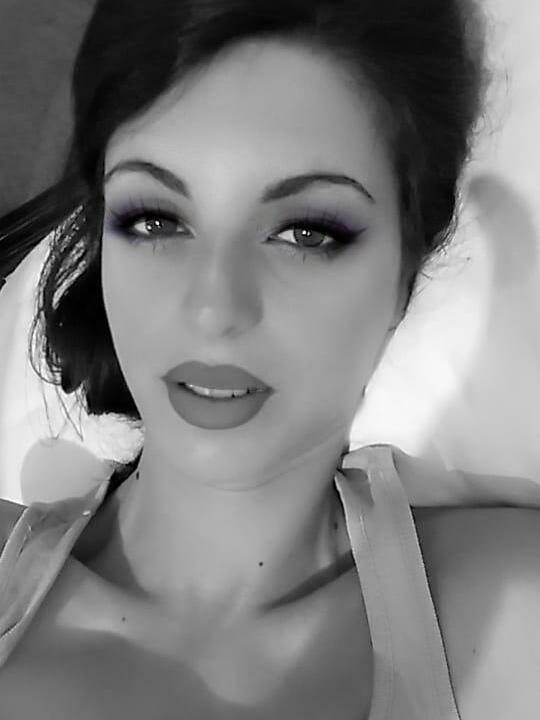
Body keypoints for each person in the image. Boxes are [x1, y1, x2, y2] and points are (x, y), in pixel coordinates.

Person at [1, 0, 540, 718]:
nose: (214, 308)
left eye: (307, 233)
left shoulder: (513, 611)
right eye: (155, 220)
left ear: (405, 271)